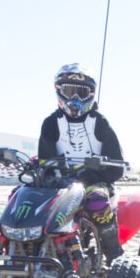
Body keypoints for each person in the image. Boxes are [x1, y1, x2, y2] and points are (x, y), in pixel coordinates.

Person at [37, 63, 125, 263]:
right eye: (69, 91)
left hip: (95, 182)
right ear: (60, 92)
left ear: (91, 94)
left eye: (81, 92)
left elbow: (117, 164)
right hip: (60, 184)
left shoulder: (100, 122)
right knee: (25, 197)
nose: (75, 98)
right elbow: (45, 160)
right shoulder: (50, 123)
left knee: (97, 201)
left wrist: (94, 171)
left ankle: (114, 255)